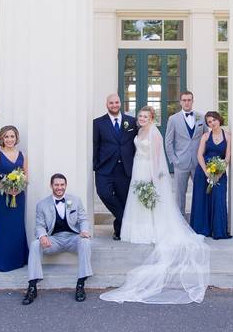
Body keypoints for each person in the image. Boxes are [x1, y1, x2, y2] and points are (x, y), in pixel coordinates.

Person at [100, 105, 210, 304]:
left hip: (148, 169)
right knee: (137, 201)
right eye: (140, 116)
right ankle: (137, 231)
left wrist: (153, 177)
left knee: (149, 201)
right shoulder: (138, 130)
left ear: (152, 118)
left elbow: (158, 157)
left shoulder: (154, 132)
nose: (141, 118)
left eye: (145, 116)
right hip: (137, 167)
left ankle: (152, 230)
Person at [23, 173, 92, 304]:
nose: (59, 187)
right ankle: (32, 286)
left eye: (62, 185)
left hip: (73, 238)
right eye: (56, 185)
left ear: (65, 185)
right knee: (34, 244)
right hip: (54, 240)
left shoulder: (75, 200)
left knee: (86, 242)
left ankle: (81, 284)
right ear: (51, 186)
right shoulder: (42, 205)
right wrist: (42, 236)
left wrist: (84, 231)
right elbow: (40, 225)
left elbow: (83, 219)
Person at [92, 94, 136, 240]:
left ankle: (119, 231)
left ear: (120, 103)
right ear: (107, 104)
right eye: (111, 103)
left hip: (125, 168)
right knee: (103, 193)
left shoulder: (132, 122)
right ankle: (126, 220)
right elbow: (95, 145)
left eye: (117, 102)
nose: (114, 105)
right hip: (105, 168)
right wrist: (96, 164)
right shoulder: (98, 123)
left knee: (123, 199)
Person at [0, 125, 29, 272]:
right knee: (4, 227)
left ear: (16, 138)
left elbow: (25, 175)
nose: (9, 139)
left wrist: (18, 188)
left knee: (17, 227)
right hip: (3, 196)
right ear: (2, 138)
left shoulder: (22, 154)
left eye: (12, 136)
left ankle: (18, 259)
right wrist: (4, 187)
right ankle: (4, 261)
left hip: (19, 196)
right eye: (6, 137)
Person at [190, 110, 232, 240]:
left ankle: (219, 231)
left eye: (214, 120)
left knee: (219, 200)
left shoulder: (228, 136)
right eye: (209, 122)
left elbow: (227, 157)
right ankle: (202, 229)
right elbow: (199, 155)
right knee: (202, 200)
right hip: (203, 172)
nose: (212, 123)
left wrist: (219, 173)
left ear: (219, 119)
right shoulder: (206, 137)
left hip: (220, 173)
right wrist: (207, 172)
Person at [164, 90, 205, 216]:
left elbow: (206, 137)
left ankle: (198, 220)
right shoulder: (173, 119)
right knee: (179, 195)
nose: (187, 103)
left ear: (193, 101)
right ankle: (180, 221)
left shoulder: (201, 117)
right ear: (180, 102)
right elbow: (168, 141)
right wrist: (174, 160)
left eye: (189, 100)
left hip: (198, 162)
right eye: (184, 100)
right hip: (180, 162)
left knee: (200, 193)